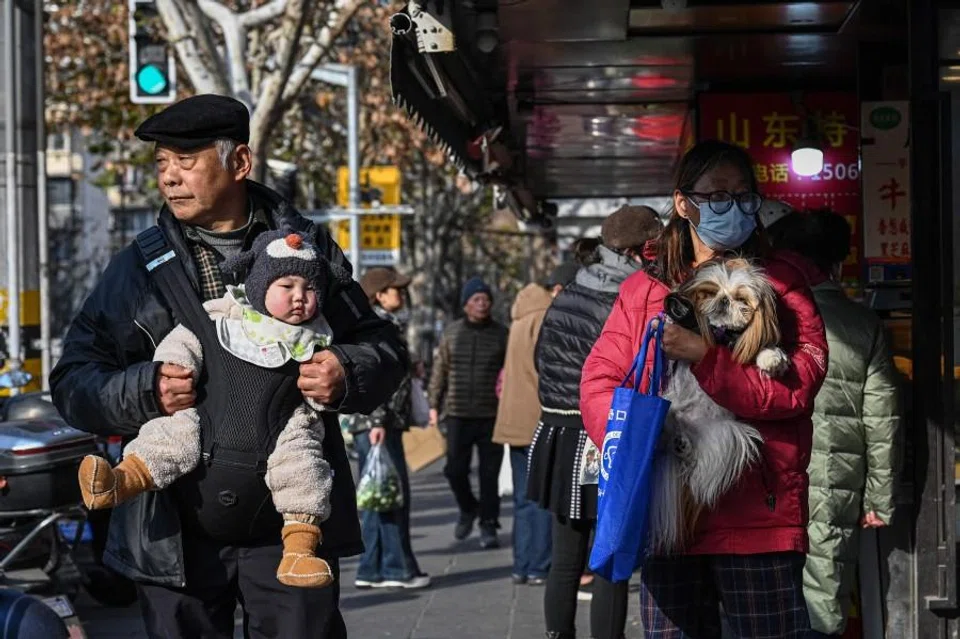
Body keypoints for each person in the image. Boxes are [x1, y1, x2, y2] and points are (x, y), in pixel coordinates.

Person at [50, 94, 408, 638]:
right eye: (162, 164)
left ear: (239, 163)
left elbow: (382, 346)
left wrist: (346, 369)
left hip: (288, 531)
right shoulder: (138, 268)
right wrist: (145, 389)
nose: (170, 179)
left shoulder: (306, 252)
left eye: (186, 162)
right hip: (173, 536)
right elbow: (72, 380)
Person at [581, 140, 828, 638]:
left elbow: (797, 389)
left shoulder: (782, 284)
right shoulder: (644, 290)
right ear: (683, 203)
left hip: (757, 517)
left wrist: (707, 358)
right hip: (669, 515)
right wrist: (645, 434)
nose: (731, 207)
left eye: (742, 196)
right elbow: (598, 383)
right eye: (717, 195)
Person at [78, 229, 349, 590]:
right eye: (287, 287)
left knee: (303, 465)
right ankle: (120, 481)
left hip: (287, 427)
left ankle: (299, 549)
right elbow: (184, 342)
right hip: (190, 485)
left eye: (309, 290)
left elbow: (352, 371)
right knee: (171, 435)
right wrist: (165, 374)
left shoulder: (318, 335)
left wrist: (339, 377)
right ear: (259, 285)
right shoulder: (225, 316)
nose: (300, 298)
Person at [527, 204, 662, 639]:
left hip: (555, 430)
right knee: (611, 556)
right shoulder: (629, 296)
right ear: (640, 250)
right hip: (603, 434)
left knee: (566, 556)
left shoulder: (568, 291)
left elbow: (538, 361)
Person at [767, 208, 901, 638]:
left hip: (767, 476)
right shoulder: (862, 323)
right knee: (823, 597)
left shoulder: (764, 315)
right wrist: (879, 497)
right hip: (835, 481)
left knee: (760, 596)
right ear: (837, 263)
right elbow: (882, 418)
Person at [493, 263, 577, 586]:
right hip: (537, 416)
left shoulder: (519, 315)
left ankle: (522, 563)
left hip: (513, 418)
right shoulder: (545, 315)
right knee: (541, 495)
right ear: (557, 289)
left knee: (523, 498)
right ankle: (540, 564)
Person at [348, 267, 430, 590]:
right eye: (396, 289)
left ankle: (373, 568)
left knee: (377, 494)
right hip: (376, 423)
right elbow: (373, 372)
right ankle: (396, 567)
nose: (402, 294)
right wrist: (378, 420)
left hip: (376, 422)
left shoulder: (378, 323)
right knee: (390, 495)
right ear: (380, 295)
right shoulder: (377, 325)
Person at [428, 277, 508, 548]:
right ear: (465, 305)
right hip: (458, 413)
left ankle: (488, 524)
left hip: (491, 415)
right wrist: (433, 405)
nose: (482, 304)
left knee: (489, 475)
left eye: (486, 299)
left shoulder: (501, 334)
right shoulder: (452, 333)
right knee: (454, 470)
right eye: (476, 299)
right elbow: (440, 370)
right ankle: (468, 508)